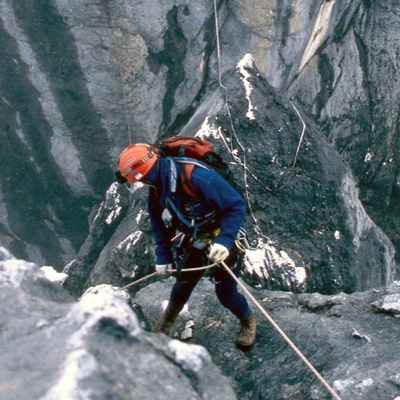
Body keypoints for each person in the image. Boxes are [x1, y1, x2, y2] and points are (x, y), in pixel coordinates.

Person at [116, 143, 257, 349]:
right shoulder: (158, 187)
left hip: (221, 239)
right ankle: (168, 320)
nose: (143, 183)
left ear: (149, 170)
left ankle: (248, 321)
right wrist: (163, 256)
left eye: (142, 178)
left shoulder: (197, 177)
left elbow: (235, 205)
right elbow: (158, 223)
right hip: (196, 239)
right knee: (183, 283)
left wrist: (224, 242)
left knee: (226, 295)